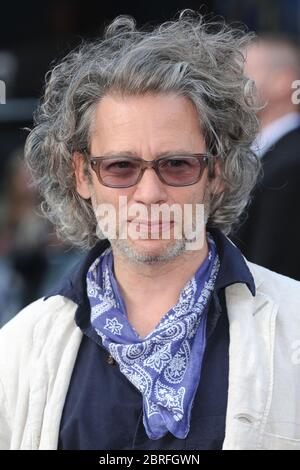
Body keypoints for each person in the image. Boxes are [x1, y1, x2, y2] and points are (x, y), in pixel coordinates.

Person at [0, 12, 299, 451]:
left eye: (176, 165)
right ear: (82, 175)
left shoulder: (293, 331)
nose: (150, 193)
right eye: (121, 167)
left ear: (214, 173)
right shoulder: (18, 351)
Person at [232, 37, 300, 280]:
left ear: (283, 82)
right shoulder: (261, 154)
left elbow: (272, 266)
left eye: (242, 74)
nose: (230, 84)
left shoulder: (291, 166)